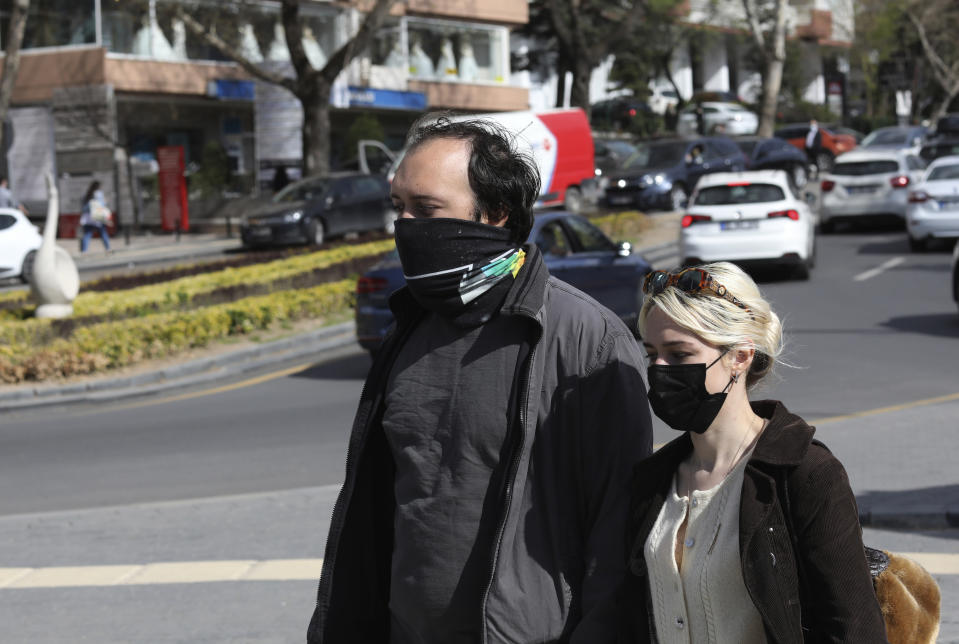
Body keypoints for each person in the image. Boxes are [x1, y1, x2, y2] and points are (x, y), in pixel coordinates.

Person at [308, 115, 653, 643]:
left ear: (494, 214)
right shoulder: (408, 327)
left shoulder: (587, 338)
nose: (404, 226)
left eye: (425, 209)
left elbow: (620, 524)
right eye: (399, 207)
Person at [617, 262, 888, 642]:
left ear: (740, 357)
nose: (660, 369)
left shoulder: (805, 474)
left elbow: (854, 630)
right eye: (652, 355)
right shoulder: (652, 481)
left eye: (679, 355)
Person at [79, 180, 111, 253]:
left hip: (88, 217)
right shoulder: (99, 194)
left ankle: (84, 250)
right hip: (97, 216)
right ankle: (108, 248)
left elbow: (83, 207)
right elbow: (102, 205)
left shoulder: (87, 194)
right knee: (103, 233)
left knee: (87, 234)